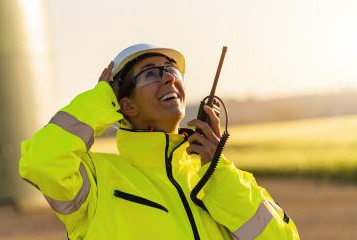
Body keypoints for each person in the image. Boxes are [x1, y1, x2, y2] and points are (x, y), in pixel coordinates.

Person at [19, 43, 300, 239]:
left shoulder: (213, 176)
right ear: (124, 105)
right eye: (151, 73)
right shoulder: (97, 182)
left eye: (171, 70)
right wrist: (99, 99)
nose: (168, 77)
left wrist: (217, 171)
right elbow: (41, 161)